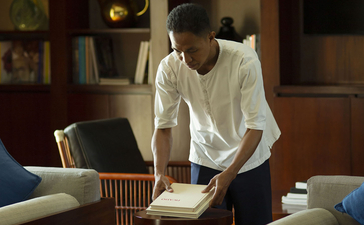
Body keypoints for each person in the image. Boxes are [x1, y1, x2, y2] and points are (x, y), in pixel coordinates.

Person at [151, 3, 281, 225]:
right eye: (177, 50)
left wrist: (230, 173)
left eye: (192, 50)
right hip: (205, 155)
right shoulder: (169, 68)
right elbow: (163, 127)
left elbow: (255, 126)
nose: (186, 60)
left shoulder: (244, 60)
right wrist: (158, 173)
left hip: (249, 155)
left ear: (211, 37)